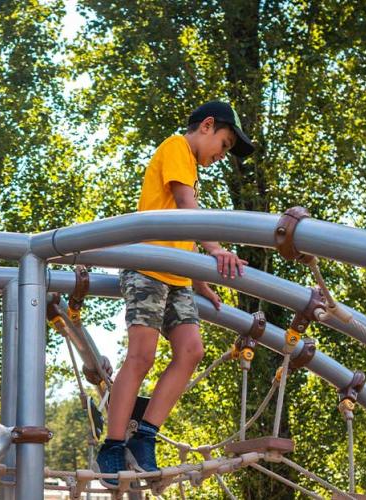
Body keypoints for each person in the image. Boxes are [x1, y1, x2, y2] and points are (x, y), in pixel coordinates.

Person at [97, 101, 255, 484]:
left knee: (191, 350)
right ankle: (113, 444)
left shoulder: (191, 162)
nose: (222, 155)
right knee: (142, 355)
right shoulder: (176, 148)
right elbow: (185, 208)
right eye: (225, 143)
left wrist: (199, 277)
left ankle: (144, 435)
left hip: (178, 277)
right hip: (147, 269)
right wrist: (216, 250)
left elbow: (181, 233)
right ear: (206, 126)